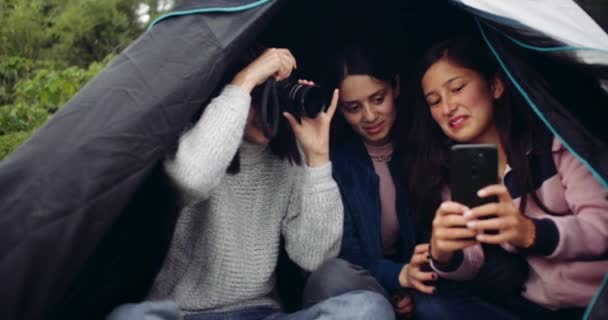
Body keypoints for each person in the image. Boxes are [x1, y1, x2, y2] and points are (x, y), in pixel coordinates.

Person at [107, 47, 395, 320]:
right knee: (127, 317)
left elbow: (314, 257)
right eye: (257, 97)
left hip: (259, 312)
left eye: (273, 97)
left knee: (368, 308)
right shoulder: (196, 141)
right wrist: (246, 79)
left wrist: (317, 157)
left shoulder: (288, 158)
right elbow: (192, 178)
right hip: (182, 313)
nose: (265, 110)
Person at [302, 42, 524, 320]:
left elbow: (453, 244)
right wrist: (397, 278)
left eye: (378, 98)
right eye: (353, 107)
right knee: (332, 275)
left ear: (395, 88)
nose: (369, 116)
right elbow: (343, 253)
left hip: (428, 280)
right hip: (365, 287)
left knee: (499, 270)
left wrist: (417, 277)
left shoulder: (426, 145)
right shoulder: (335, 162)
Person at [406, 37, 608, 319]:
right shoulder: (469, 167)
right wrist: (443, 253)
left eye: (457, 88)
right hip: (534, 304)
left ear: (495, 86)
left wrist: (530, 232)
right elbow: (472, 260)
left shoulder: (553, 144)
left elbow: (601, 227)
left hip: (594, 301)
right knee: (434, 307)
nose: (447, 107)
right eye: (434, 101)